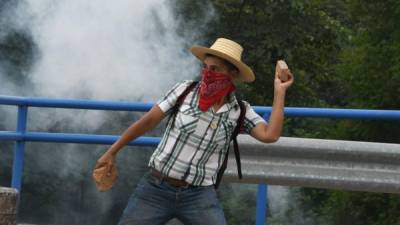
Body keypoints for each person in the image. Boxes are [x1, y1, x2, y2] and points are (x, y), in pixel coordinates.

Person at [97, 38, 294, 225]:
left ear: (232, 74)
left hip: (199, 196)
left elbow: (270, 135)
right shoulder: (184, 91)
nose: (208, 73)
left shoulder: (239, 111)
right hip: (156, 188)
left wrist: (280, 91)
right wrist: (112, 151)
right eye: (205, 68)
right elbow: (147, 121)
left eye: (215, 69)